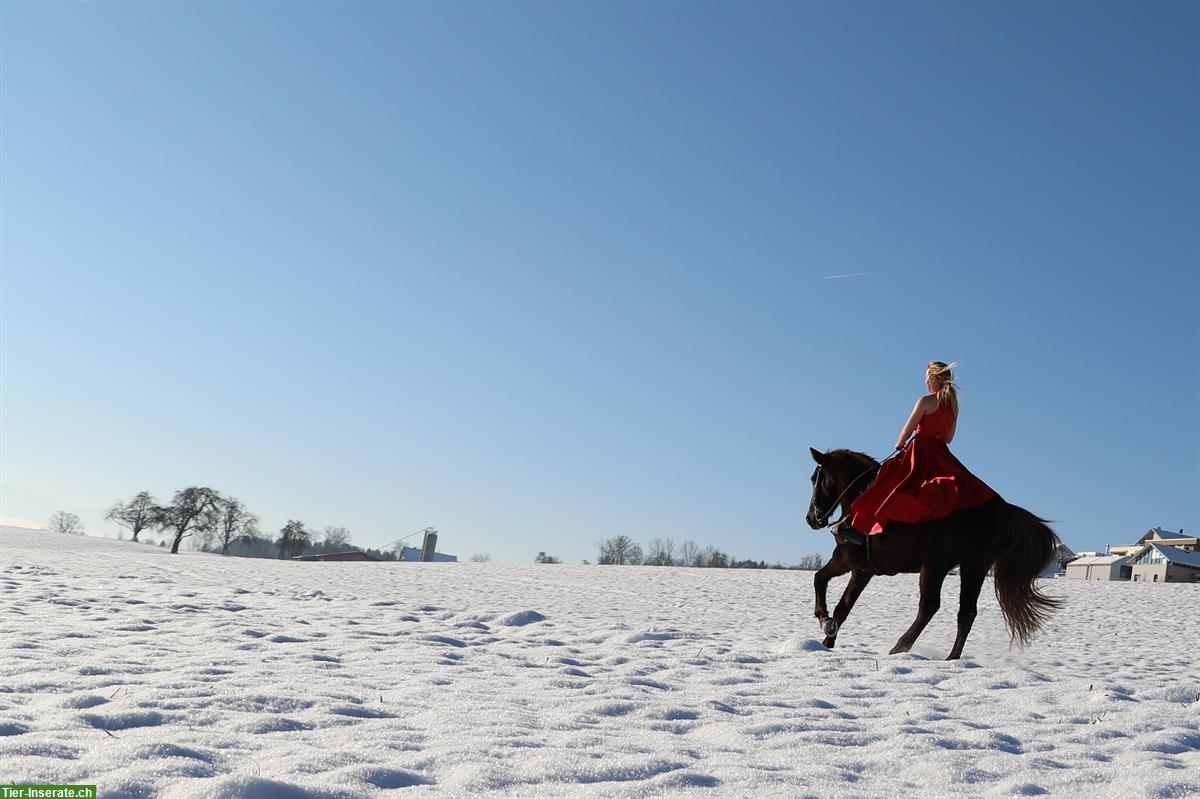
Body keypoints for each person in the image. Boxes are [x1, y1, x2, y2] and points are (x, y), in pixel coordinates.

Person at [833, 361, 999, 547]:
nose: (926, 382)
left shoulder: (926, 401)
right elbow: (949, 438)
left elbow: (908, 428)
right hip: (940, 453)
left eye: (927, 377)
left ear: (935, 378)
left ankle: (859, 528)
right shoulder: (953, 407)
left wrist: (900, 443)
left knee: (887, 481)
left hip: (919, 450)